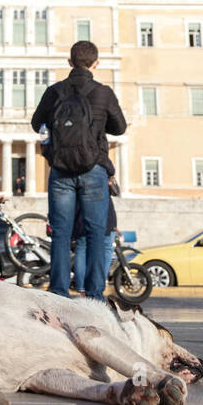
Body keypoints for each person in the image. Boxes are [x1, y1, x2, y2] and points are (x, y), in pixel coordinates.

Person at [30, 40, 127, 300]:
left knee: (61, 233)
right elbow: (120, 128)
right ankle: (94, 293)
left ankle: (59, 291)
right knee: (97, 233)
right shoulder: (103, 92)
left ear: (69, 62)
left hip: (60, 170)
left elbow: (35, 123)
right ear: (96, 64)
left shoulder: (54, 91)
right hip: (93, 168)